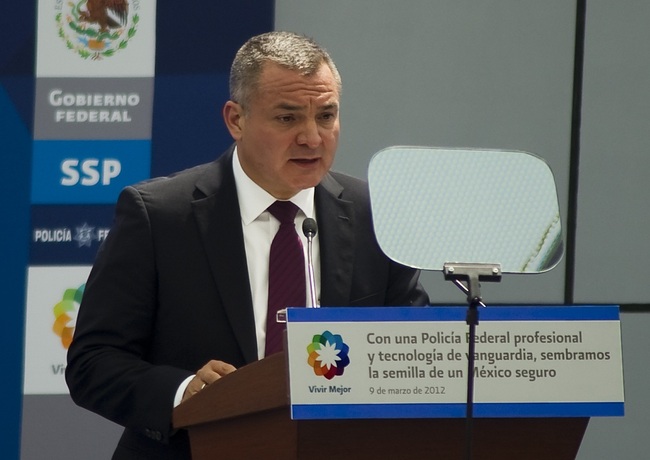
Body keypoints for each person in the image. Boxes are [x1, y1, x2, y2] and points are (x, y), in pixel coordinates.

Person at [66, 31, 430, 459]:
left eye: (326, 115)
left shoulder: (376, 215)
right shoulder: (159, 216)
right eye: (287, 118)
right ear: (235, 119)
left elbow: (412, 350)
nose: (312, 138)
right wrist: (185, 392)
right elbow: (94, 362)